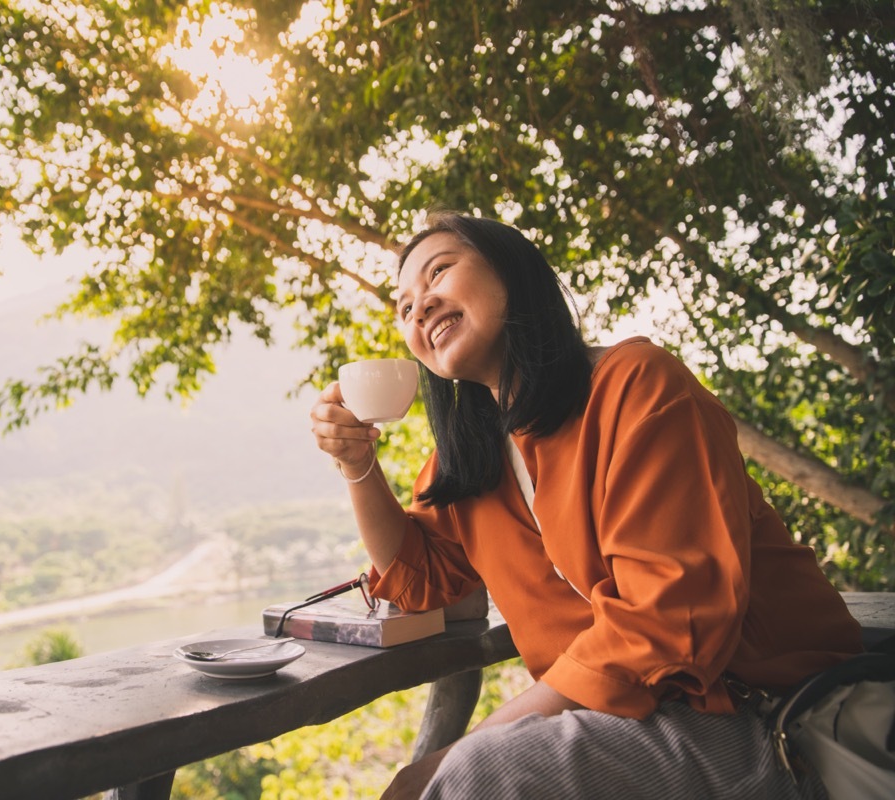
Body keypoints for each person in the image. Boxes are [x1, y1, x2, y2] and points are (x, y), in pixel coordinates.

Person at [309, 212, 863, 799]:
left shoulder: (637, 386)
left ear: (513, 272)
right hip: (633, 719)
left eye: (440, 271)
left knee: (477, 777)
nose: (419, 306)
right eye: (403, 306)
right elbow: (418, 578)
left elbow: (665, 624)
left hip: (764, 714)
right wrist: (356, 465)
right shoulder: (468, 463)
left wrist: (456, 753)